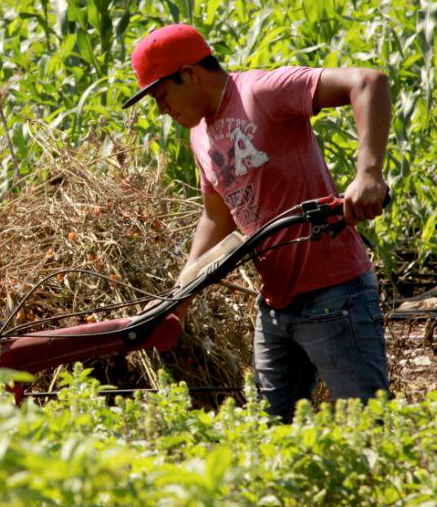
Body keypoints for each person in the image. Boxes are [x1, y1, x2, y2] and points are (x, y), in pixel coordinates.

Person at [123, 23, 392, 422]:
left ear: (191, 74)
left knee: (370, 426)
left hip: (336, 296)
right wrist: (180, 296)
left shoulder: (262, 92)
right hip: (275, 306)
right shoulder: (200, 134)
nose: (161, 109)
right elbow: (217, 217)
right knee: (266, 435)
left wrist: (368, 172)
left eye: (161, 95)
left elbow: (369, 82)